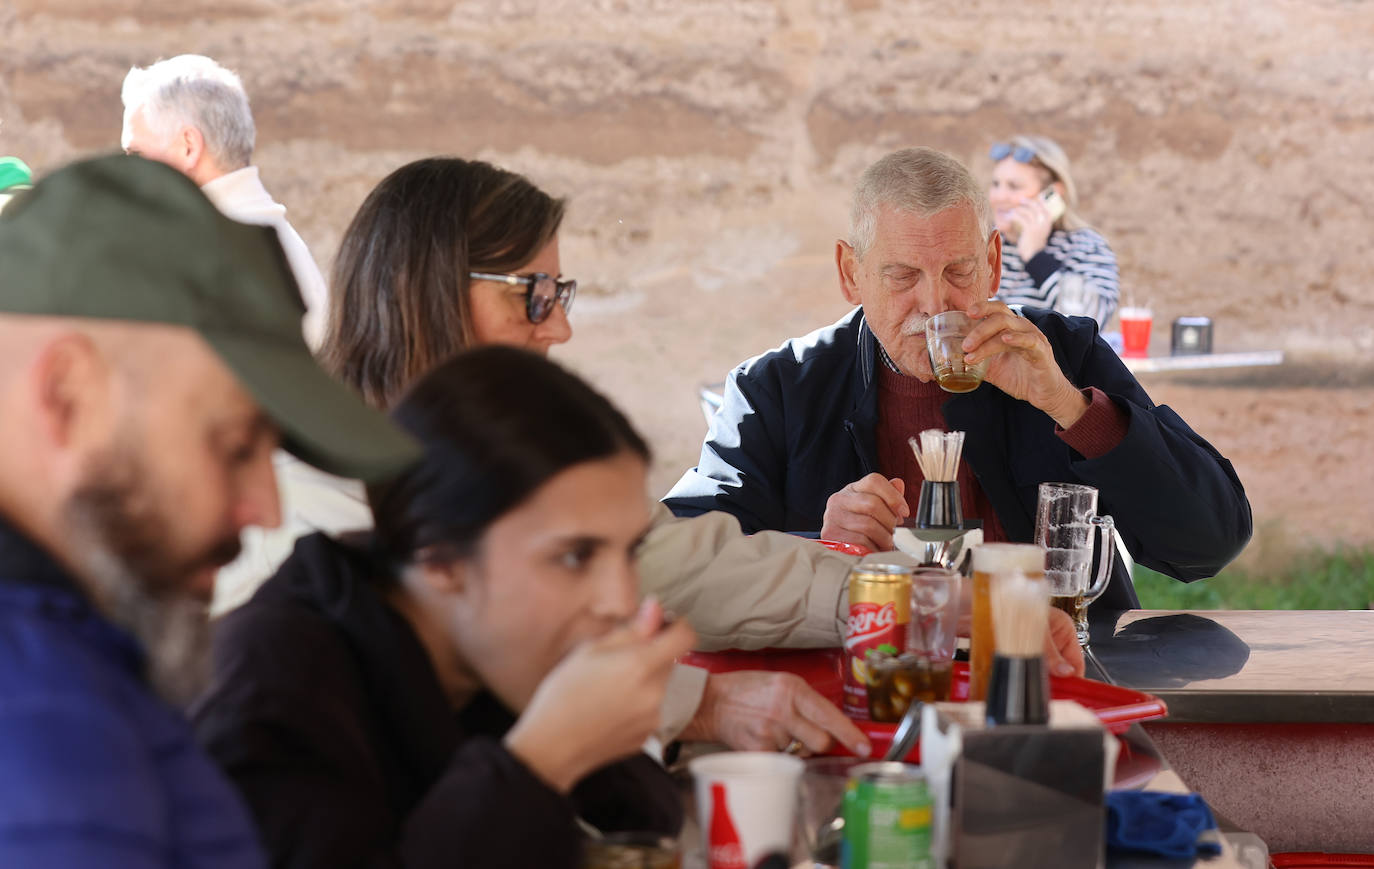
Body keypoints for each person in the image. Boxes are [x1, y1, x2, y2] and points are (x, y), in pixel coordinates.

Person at [211, 156, 894, 757]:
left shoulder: (507, 453)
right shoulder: (303, 490)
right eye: (534, 295)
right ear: (430, 293)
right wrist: (695, 704)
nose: (560, 327)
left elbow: (683, 562)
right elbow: (437, 677)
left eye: (559, 294)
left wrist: (891, 594)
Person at [0, 156, 417, 865]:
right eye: (234, 447)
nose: (266, 509)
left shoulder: (78, 660)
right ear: (67, 397)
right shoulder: (41, 721)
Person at [664, 147, 1252, 611]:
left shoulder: (1060, 354)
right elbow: (677, 567)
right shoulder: (778, 390)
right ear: (851, 273)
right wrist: (821, 550)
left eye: (959, 271)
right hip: (863, 684)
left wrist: (1069, 406)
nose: (934, 304)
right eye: (902, 276)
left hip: (1054, 679)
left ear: (992, 263)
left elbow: (1210, 543)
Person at [193, 347, 697, 868]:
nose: (620, 600)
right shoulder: (277, 695)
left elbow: (634, 824)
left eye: (631, 550)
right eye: (574, 556)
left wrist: (599, 740)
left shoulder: (482, 656)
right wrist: (542, 760)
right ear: (441, 562)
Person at [121, 54, 331, 347]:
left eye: (136, 154)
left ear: (188, 147)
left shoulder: (205, 254)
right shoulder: (271, 239)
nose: (125, 171)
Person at [988, 135, 1120, 327]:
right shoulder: (983, 244)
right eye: (996, 184)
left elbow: (1089, 323)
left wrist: (1035, 256)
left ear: (1052, 194)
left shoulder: (1087, 246)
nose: (999, 197)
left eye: (1014, 186)